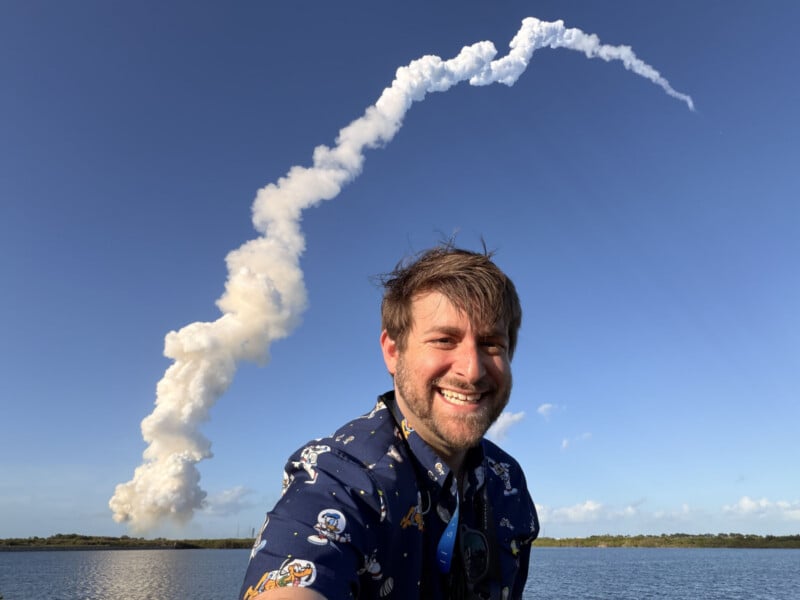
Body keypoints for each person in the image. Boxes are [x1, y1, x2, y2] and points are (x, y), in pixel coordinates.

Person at [240, 244, 539, 600]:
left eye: (491, 344)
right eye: (444, 340)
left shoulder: (507, 481)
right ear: (392, 351)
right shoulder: (341, 478)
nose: (472, 371)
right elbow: (293, 581)